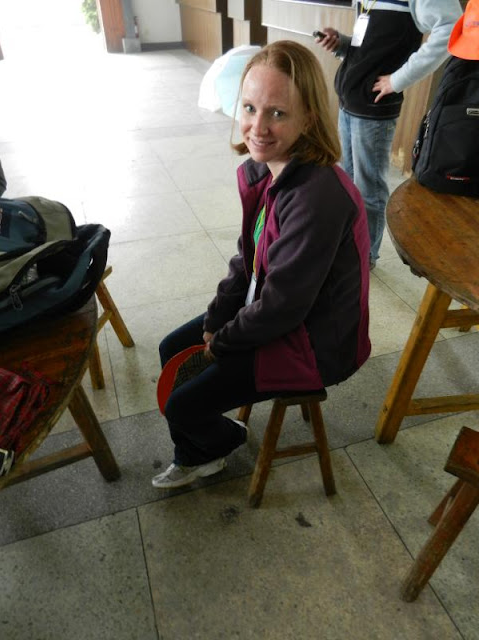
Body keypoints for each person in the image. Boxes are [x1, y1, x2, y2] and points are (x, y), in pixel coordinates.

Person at [152, 40, 371, 490]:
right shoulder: (263, 169)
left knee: (181, 405)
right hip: (275, 311)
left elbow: (282, 308)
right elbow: (247, 259)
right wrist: (215, 319)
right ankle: (201, 446)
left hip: (314, 342)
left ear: (309, 117)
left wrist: (221, 342)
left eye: (278, 113)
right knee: (171, 349)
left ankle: (218, 442)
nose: (258, 127)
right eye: (250, 108)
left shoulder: (318, 197)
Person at [316, 0, 462, 269]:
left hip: (373, 109)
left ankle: (365, 256)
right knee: (347, 182)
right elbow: (371, 45)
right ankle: (349, 245)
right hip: (350, 100)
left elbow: (452, 27)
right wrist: (342, 44)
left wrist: (398, 79)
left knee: (368, 188)